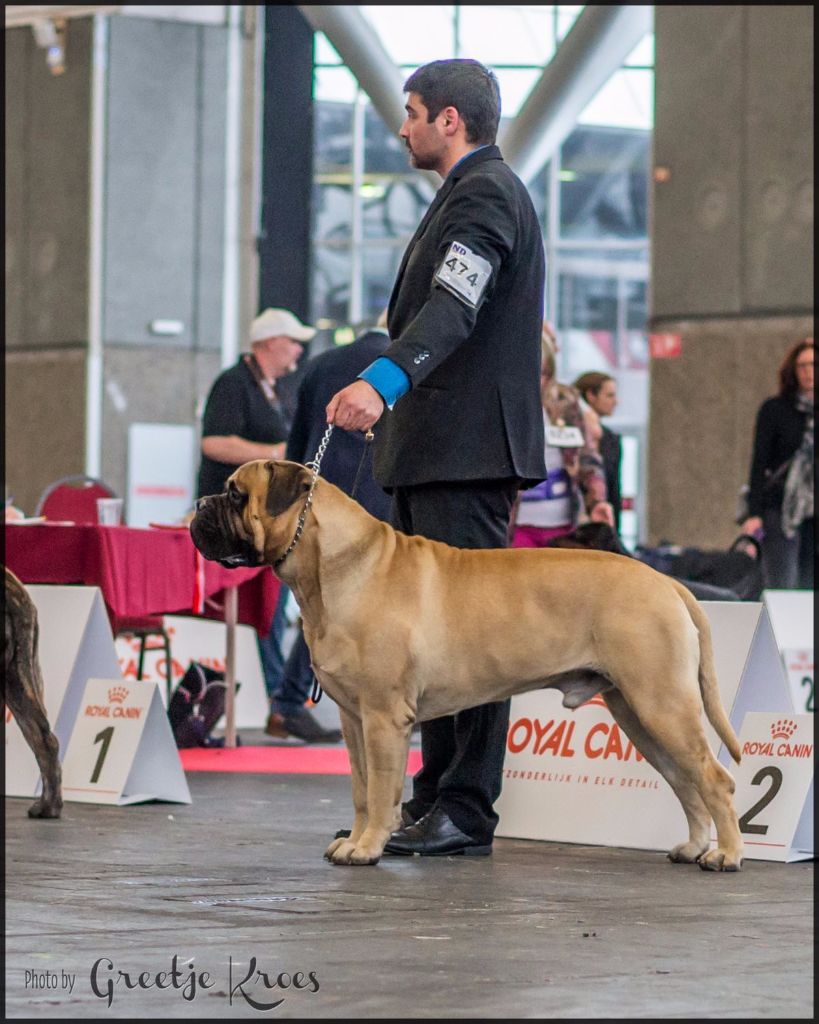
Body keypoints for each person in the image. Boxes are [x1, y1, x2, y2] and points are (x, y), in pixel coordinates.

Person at [325, 58, 547, 857]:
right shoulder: (464, 196)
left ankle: (466, 809)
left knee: (477, 642)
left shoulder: (485, 194)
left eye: (412, 111)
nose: (403, 125)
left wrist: (381, 381)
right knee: (435, 643)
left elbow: (453, 307)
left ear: (449, 119)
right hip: (435, 453)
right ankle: (431, 799)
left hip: (466, 452)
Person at [196, 307, 326, 734]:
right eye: (292, 341)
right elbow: (213, 442)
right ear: (269, 343)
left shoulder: (275, 388)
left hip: (264, 520)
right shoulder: (234, 384)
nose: (299, 349)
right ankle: (272, 692)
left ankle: (273, 692)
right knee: (268, 602)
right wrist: (274, 455)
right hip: (235, 519)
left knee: (275, 602)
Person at [264, 313, 393, 744]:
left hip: (314, 504)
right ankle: (292, 697)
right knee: (345, 609)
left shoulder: (321, 363)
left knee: (319, 605)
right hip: (371, 509)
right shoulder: (397, 367)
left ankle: (291, 698)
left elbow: (297, 444)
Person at [512, 324, 614, 548]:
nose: (541, 381)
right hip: (516, 524)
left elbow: (588, 458)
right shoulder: (503, 406)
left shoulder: (567, 402)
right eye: (534, 372)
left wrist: (597, 501)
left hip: (563, 523)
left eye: (546, 374)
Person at [740, 337, 814, 589]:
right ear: (793, 371)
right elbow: (759, 463)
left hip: (813, 511)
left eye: (814, 365)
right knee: (783, 581)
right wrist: (754, 512)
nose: (809, 372)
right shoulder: (775, 409)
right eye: (802, 366)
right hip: (781, 509)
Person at [573, 370, 622, 532]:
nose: (616, 402)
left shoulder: (611, 439)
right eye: (609, 396)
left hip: (603, 518)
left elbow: (614, 489)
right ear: (591, 396)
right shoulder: (570, 437)